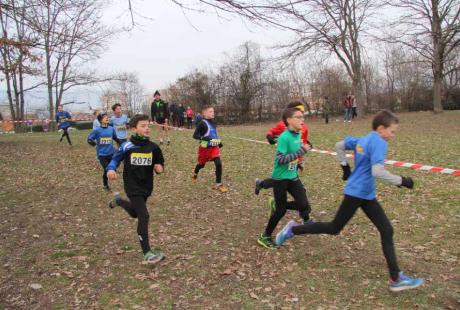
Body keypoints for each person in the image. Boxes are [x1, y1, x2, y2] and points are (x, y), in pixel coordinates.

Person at [275, 110, 424, 292]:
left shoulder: (364, 139)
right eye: (392, 131)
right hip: (357, 193)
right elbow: (377, 171)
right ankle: (292, 229)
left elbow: (339, 145)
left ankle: (396, 278)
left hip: (365, 194)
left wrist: (345, 167)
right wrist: (403, 181)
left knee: (386, 229)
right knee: (334, 228)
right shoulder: (379, 142)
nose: (393, 135)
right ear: (381, 128)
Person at [106, 114, 165, 264]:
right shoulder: (126, 146)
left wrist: (159, 168)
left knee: (134, 213)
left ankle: (119, 201)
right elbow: (115, 159)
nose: (147, 129)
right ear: (134, 129)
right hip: (132, 185)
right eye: (143, 126)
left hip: (146, 186)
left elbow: (160, 164)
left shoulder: (154, 147)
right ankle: (147, 253)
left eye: (148, 126)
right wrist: (111, 169)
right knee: (144, 216)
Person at [257, 107, 313, 249]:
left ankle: (278, 205)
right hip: (281, 178)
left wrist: (299, 162)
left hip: (293, 176)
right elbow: (281, 159)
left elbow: (294, 152)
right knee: (281, 212)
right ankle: (265, 236)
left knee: (303, 204)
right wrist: (302, 151)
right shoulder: (284, 137)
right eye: (298, 117)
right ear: (289, 120)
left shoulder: (298, 134)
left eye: (303, 117)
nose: (302, 120)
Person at [255, 101, 312, 196]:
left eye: (302, 113)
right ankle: (263, 185)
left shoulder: (304, 127)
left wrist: (307, 145)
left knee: (288, 178)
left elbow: (303, 141)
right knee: (281, 180)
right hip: (285, 157)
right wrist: (269, 136)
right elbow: (271, 131)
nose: (301, 116)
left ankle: (261, 184)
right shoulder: (282, 125)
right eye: (298, 113)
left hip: (296, 158)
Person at [192, 106, 228, 193]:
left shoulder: (213, 123)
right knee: (201, 165)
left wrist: (218, 142)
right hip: (204, 147)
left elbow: (214, 134)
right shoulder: (202, 123)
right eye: (210, 111)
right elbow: (195, 135)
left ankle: (219, 184)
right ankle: (195, 173)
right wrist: (203, 138)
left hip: (213, 146)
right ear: (204, 113)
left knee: (218, 163)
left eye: (213, 111)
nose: (213, 113)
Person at [87, 112, 118, 191]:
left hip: (111, 153)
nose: (107, 118)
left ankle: (106, 184)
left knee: (111, 169)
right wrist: (93, 143)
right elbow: (89, 139)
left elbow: (115, 138)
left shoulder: (111, 129)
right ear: (100, 120)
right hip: (102, 155)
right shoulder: (97, 130)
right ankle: (105, 185)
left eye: (107, 117)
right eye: (105, 117)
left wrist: (122, 144)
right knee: (107, 169)